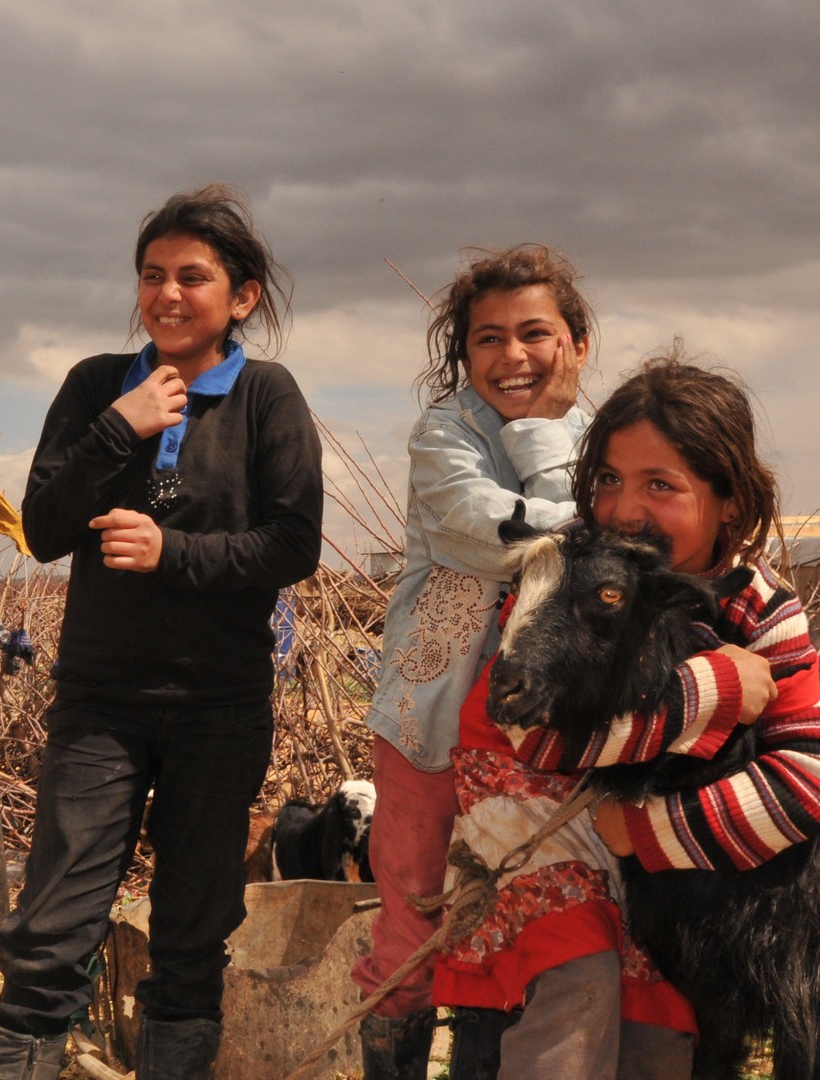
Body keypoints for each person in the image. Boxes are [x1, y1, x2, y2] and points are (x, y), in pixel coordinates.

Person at [0, 184, 323, 1080]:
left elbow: (294, 544)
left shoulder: (266, 397)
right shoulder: (98, 385)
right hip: (101, 702)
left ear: (240, 296)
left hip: (219, 704)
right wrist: (116, 431)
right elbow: (43, 529)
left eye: (192, 277)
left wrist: (173, 553)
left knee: (193, 936)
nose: (167, 294)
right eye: (152, 275)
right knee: (50, 933)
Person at [434, 348, 820, 1078]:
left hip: (651, 857)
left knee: (659, 1030)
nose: (625, 510)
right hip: (531, 826)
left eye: (661, 485)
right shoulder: (568, 572)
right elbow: (530, 732)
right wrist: (715, 688)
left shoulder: (760, 609)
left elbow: (819, 783)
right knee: (571, 990)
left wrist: (647, 829)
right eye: (609, 480)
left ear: (730, 500)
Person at [352, 245, 594, 1079]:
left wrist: (557, 454)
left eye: (535, 333)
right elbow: (508, 540)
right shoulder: (444, 435)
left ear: (577, 345)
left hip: (551, 737)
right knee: (411, 937)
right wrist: (547, 446)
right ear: (464, 353)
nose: (513, 356)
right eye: (489, 338)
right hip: (431, 722)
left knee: (531, 926)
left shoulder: (610, 439)